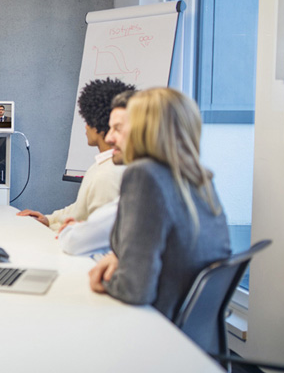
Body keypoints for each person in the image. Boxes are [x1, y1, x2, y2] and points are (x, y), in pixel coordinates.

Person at [88, 88, 231, 321]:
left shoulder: (144, 175)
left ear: (145, 129)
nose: (108, 138)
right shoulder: (198, 178)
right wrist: (123, 257)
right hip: (194, 341)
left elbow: (133, 289)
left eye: (119, 129)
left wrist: (103, 275)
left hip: (153, 331)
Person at [17, 78, 133, 231]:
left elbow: (93, 233)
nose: (85, 127)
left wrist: (53, 227)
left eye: (86, 120)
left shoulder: (107, 175)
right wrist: (49, 220)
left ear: (97, 124)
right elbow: (80, 207)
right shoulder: (101, 166)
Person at [56, 90, 135, 256]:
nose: (110, 137)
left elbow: (80, 241)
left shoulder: (109, 175)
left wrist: (74, 229)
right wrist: (50, 219)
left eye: (117, 129)